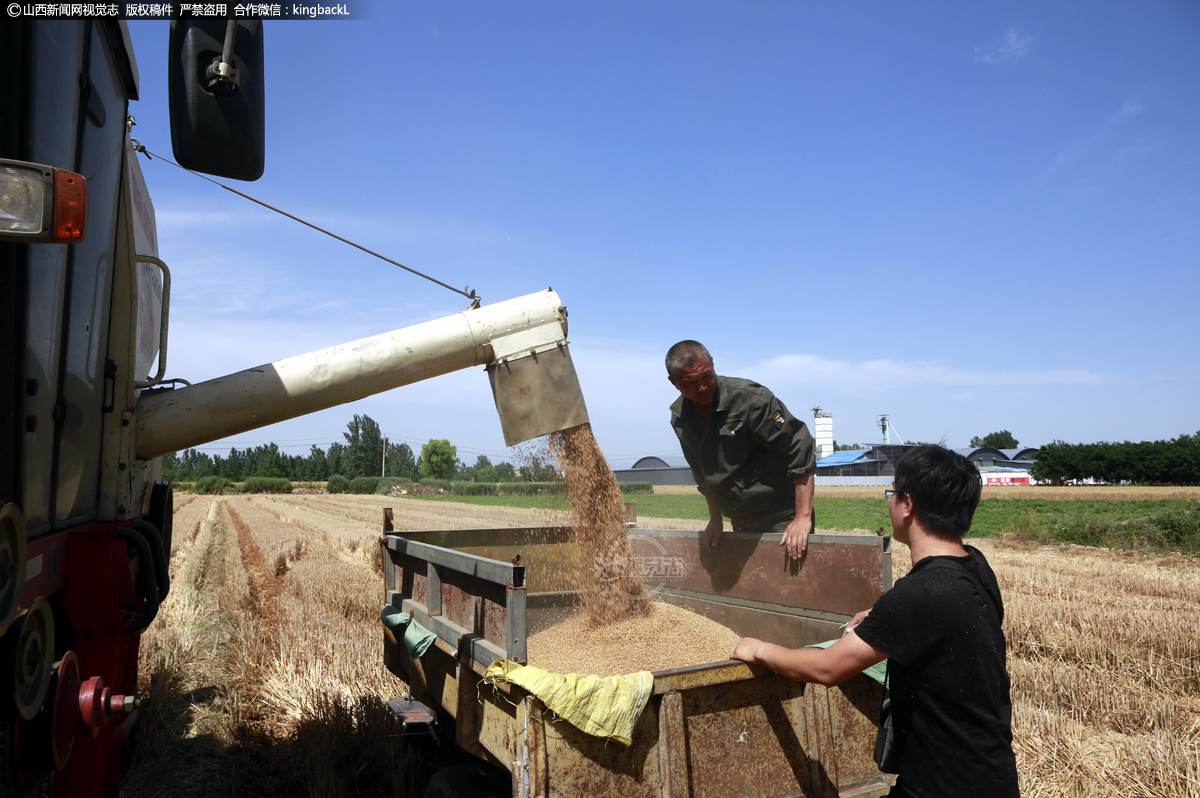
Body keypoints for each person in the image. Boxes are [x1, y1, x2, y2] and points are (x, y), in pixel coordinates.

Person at [730, 445, 1020, 798]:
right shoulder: (975, 566)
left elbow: (827, 669)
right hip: (993, 775)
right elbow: (944, 618)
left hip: (942, 785)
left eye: (892, 493)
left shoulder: (920, 593)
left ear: (908, 504)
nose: (890, 501)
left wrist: (759, 649)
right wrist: (882, 616)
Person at [666, 340, 815, 558]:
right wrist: (715, 520)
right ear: (674, 382)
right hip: (741, 518)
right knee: (753, 587)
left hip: (782, 515)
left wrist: (802, 518)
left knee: (790, 585)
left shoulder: (751, 400)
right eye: (690, 382)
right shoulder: (681, 417)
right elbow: (702, 472)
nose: (703, 387)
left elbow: (798, 447)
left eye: (707, 375)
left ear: (713, 365)